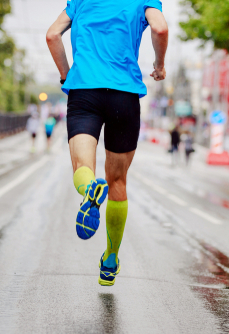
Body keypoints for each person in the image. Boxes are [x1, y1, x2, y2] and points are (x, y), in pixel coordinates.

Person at [47, 0, 168, 286]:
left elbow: (52, 35)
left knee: (82, 165)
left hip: (84, 92)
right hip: (124, 96)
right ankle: (110, 259)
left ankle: (89, 189)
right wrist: (159, 65)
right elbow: (160, 28)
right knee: (118, 182)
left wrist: (67, 75)